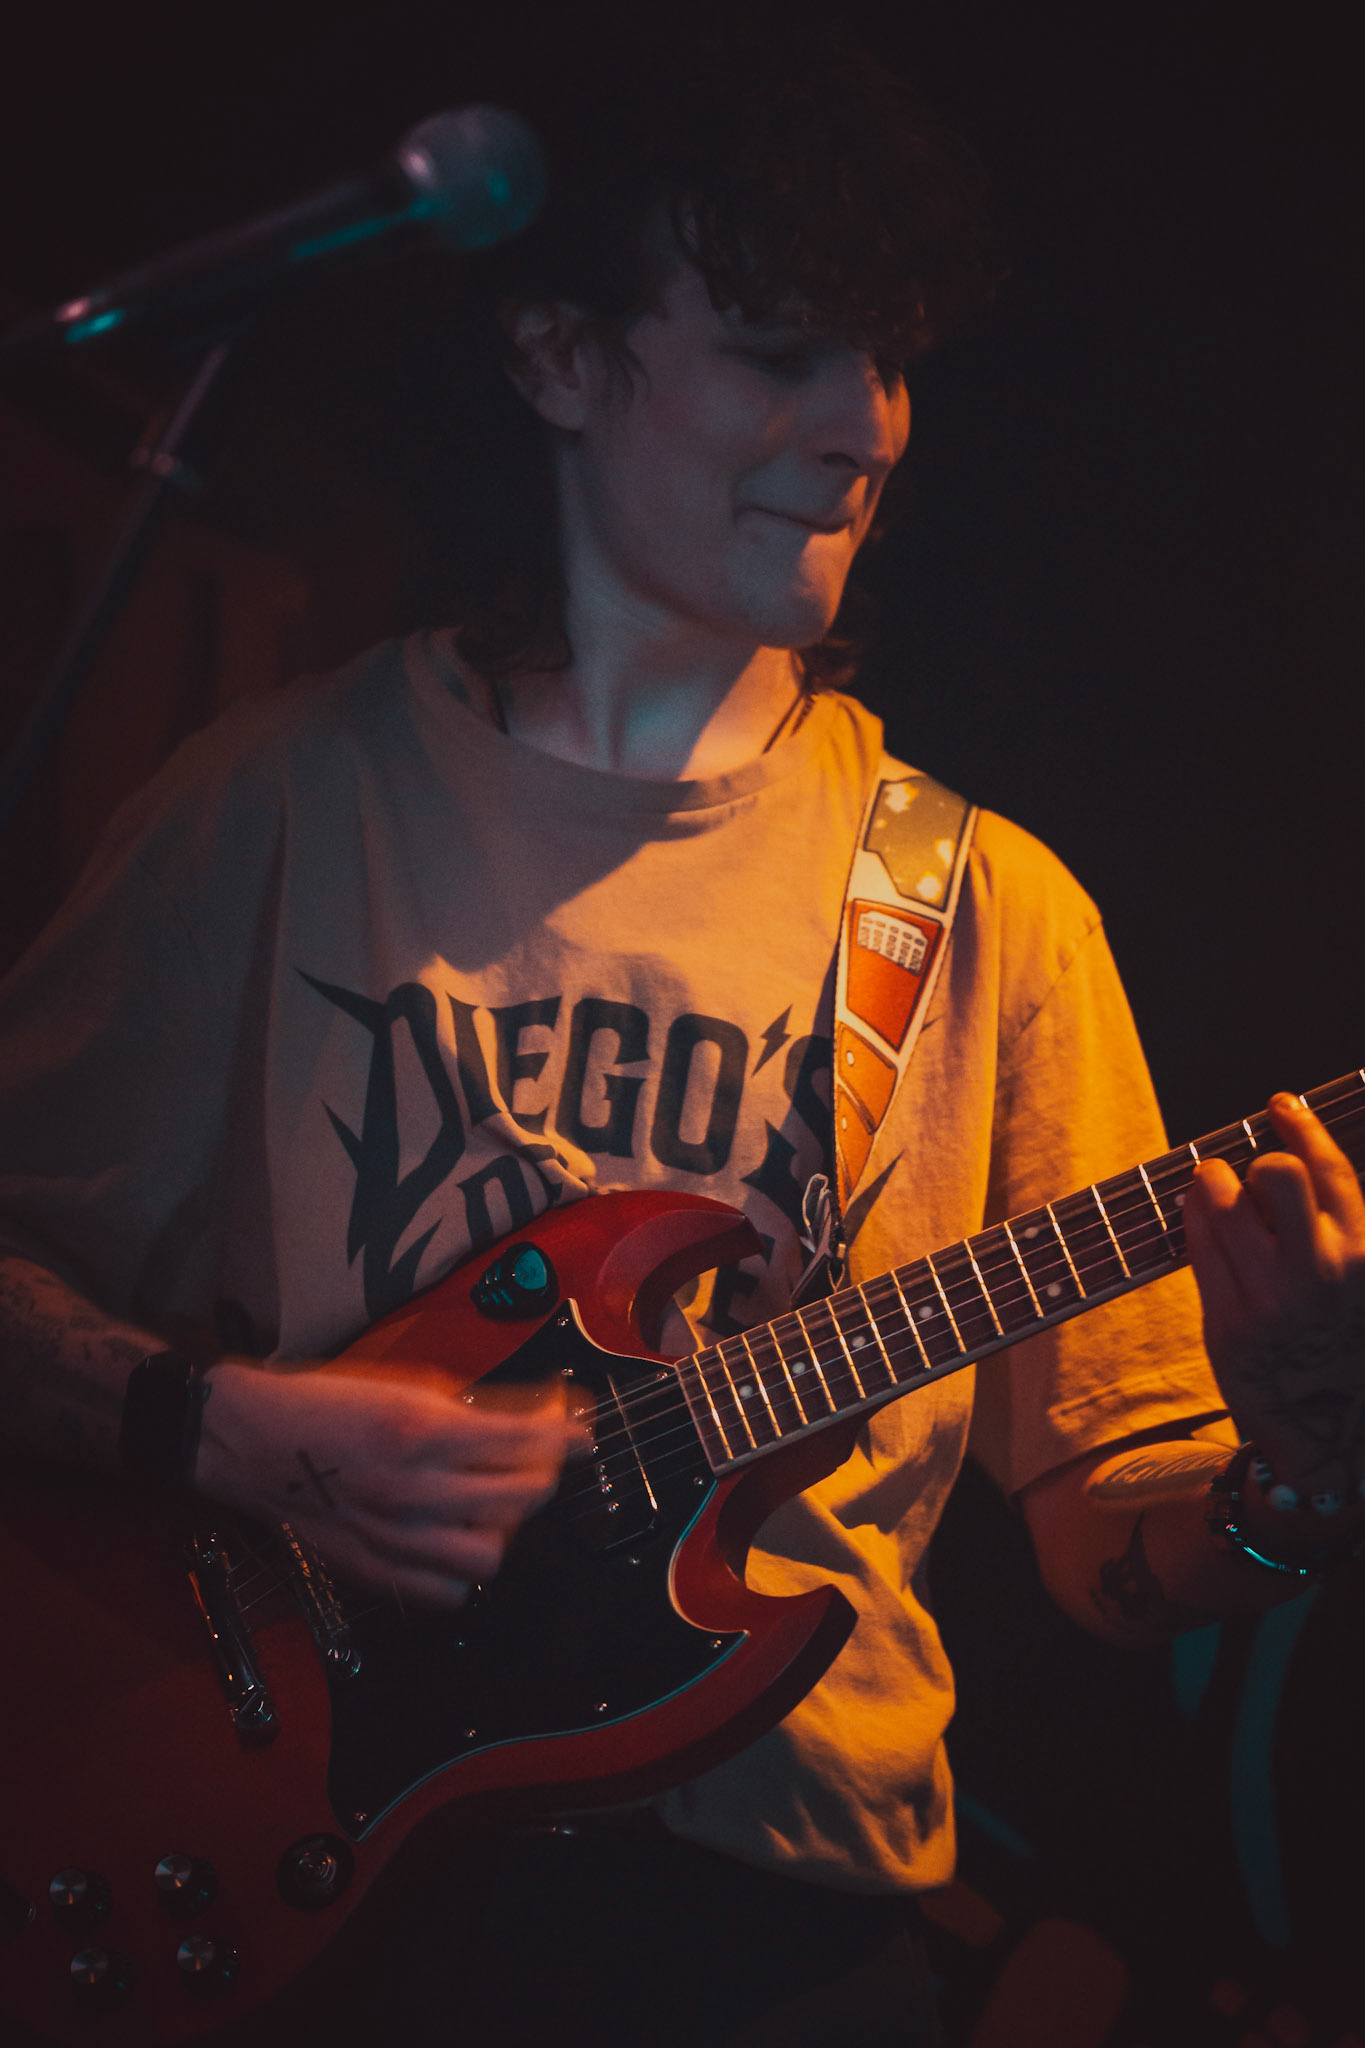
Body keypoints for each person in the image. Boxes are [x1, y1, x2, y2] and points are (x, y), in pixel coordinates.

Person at [2, 27, 1363, 2048]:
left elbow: (1110, 1553)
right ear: (558, 356)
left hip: (770, 1943)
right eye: (780, 350)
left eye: (888, 363)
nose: (866, 426)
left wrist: (1305, 1461)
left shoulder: (984, 909)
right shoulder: (274, 804)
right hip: (287, 1847)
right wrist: (226, 1431)